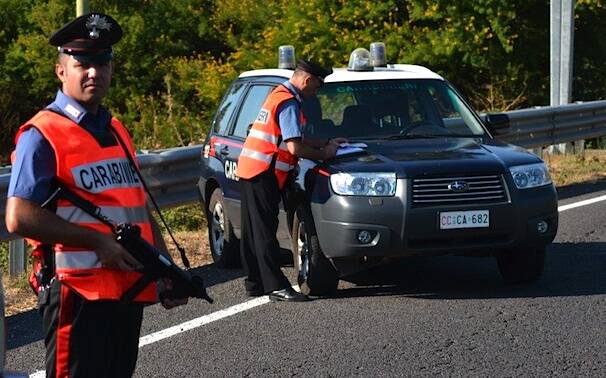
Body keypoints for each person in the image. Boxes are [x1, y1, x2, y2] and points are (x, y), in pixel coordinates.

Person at [5, 13, 187, 377]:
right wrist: (96, 241)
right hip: (76, 294)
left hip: (127, 290)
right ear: (61, 71)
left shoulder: (116, 128)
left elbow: (136, 206)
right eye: (82, 63)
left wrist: (166, 270)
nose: (94, 72)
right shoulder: (42, 133)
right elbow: (18, 215)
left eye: (102, 63)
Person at [236, 59, 346, 302]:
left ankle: (254, 283)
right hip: (264, 172)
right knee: (264, 232)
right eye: (317, 87)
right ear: (307, 80)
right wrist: (324, 154)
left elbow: (289, 138)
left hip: (253, 169)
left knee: (253, 230)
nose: (316, 92)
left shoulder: (279, 94)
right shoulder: (288, 103)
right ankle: (275, 286)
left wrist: (326, 142)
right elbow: (295, 147)